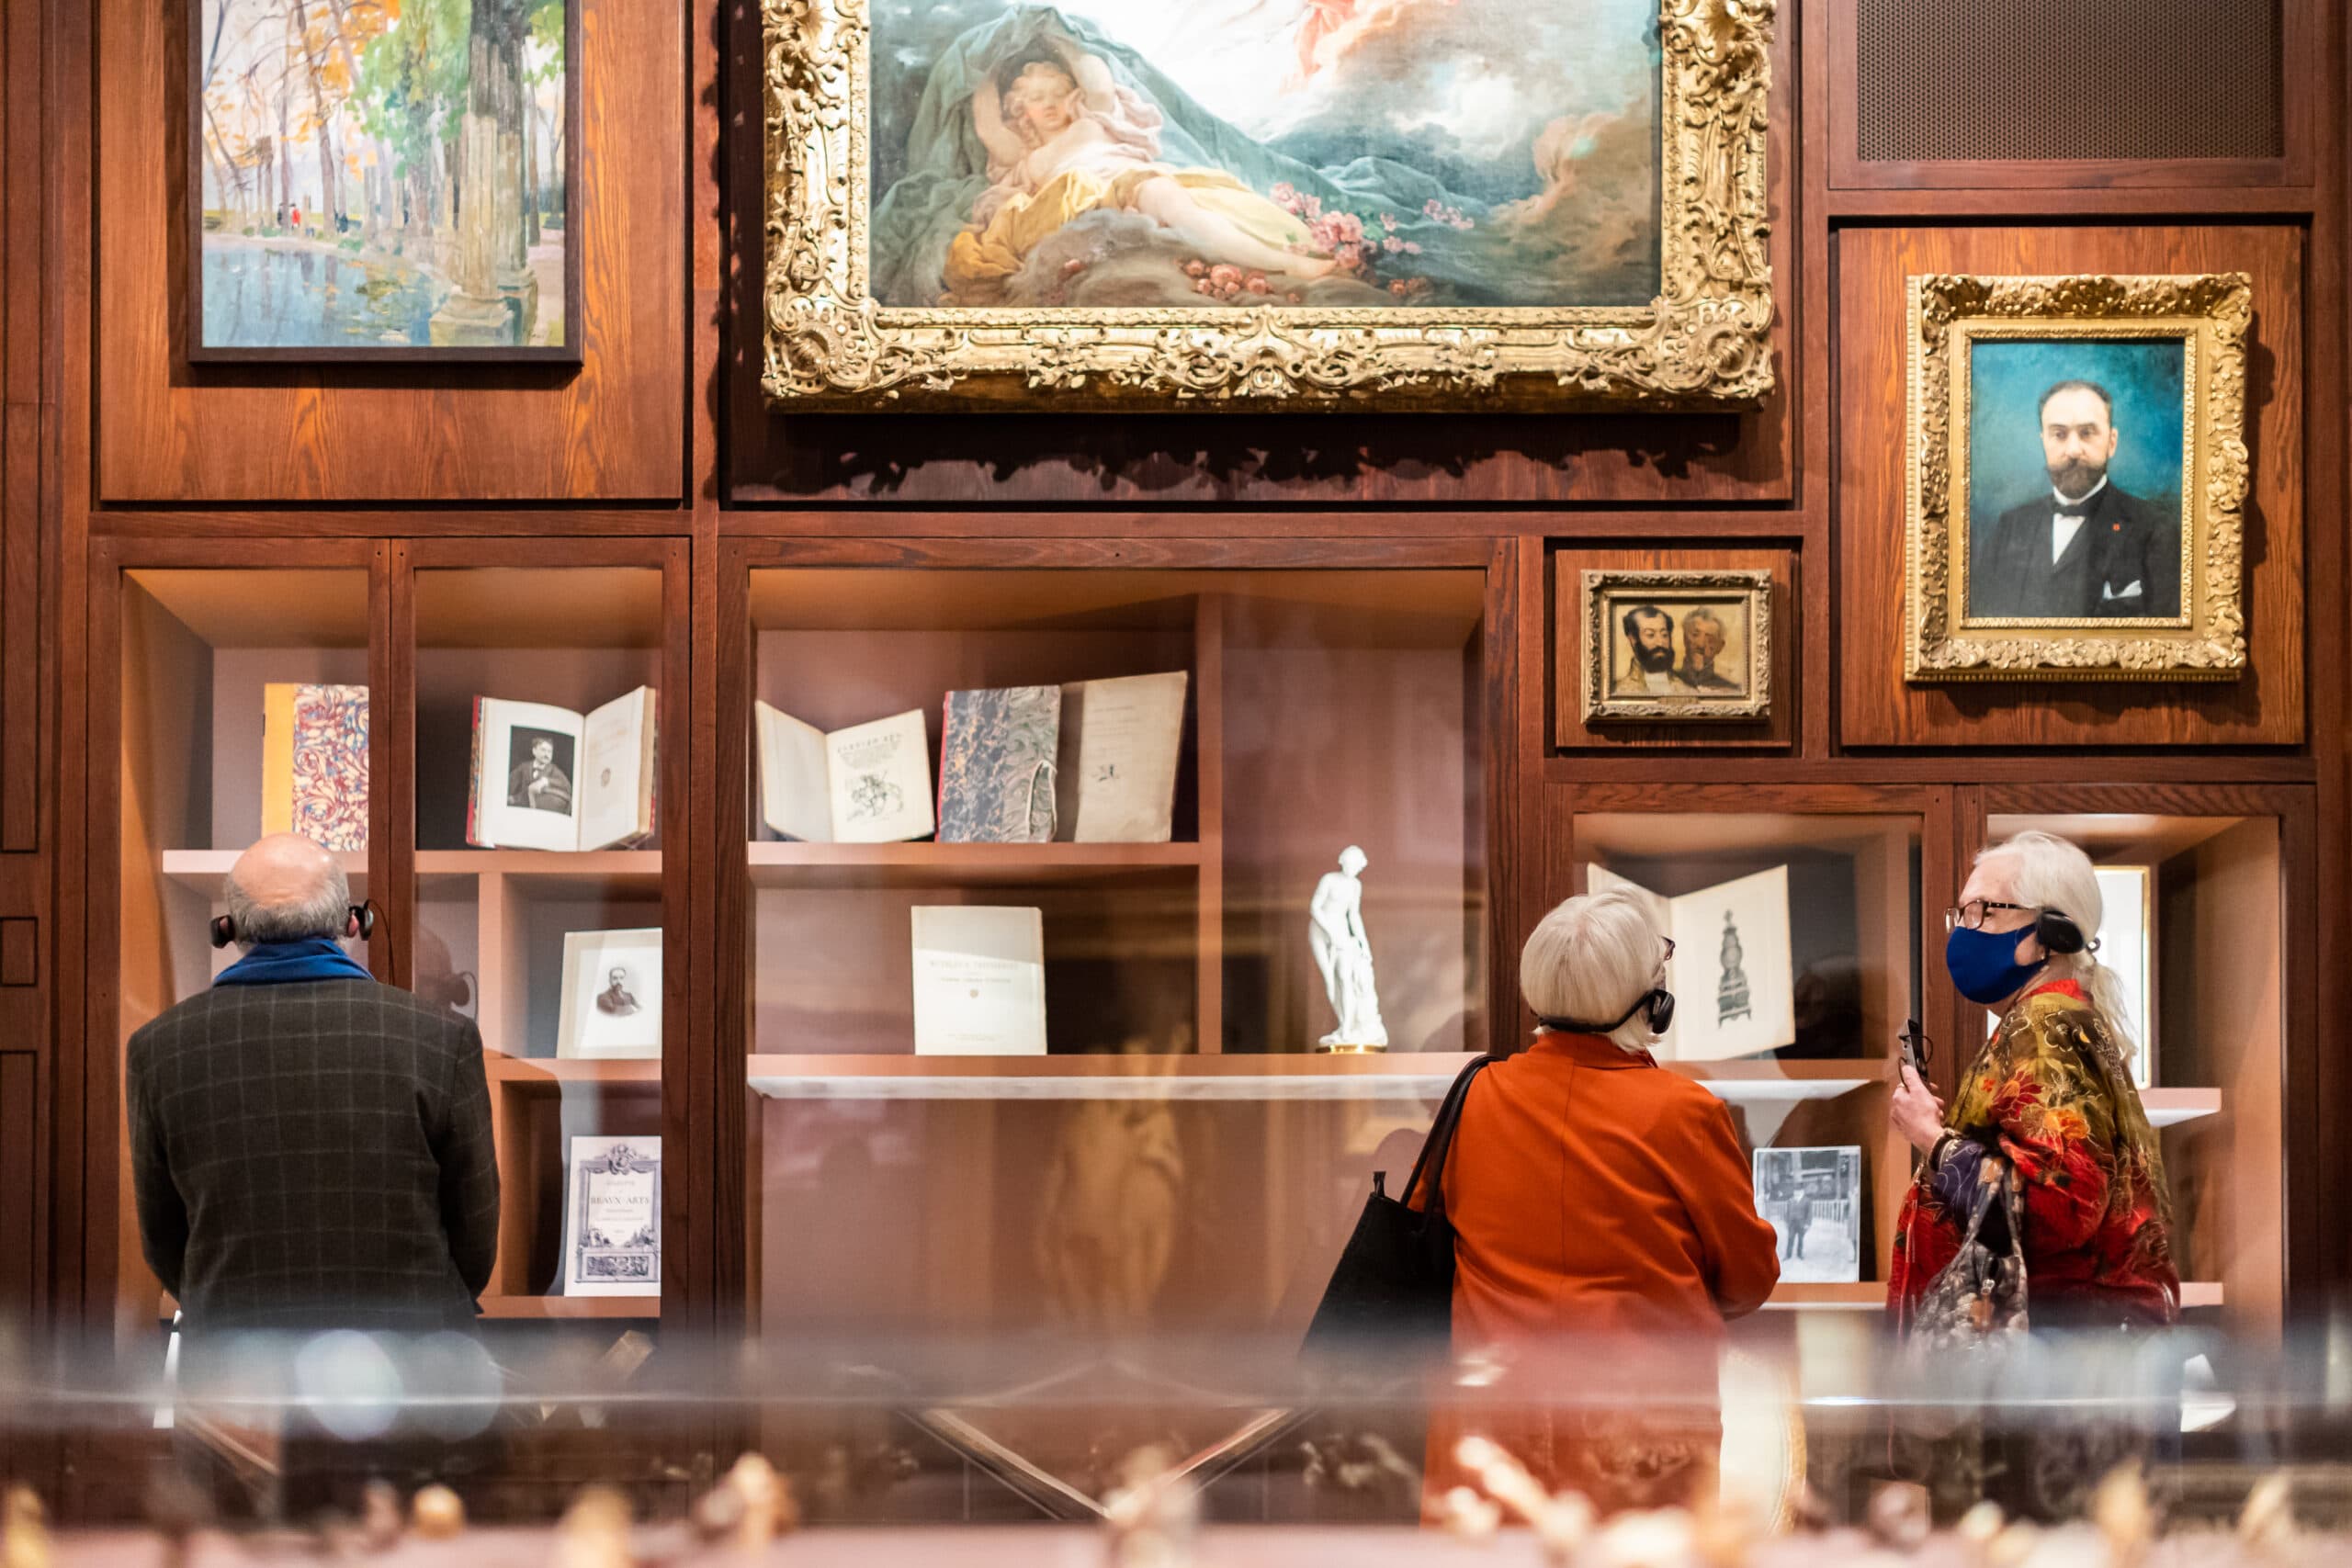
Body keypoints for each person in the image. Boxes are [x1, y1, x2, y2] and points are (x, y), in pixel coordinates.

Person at [1419, 890, 1781, 1518]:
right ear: (1653, 1003)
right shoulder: (1684, 1111)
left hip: (1493, 1428)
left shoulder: (1476, 1098)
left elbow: (1433, 1235)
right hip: (1640, 1437)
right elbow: (1749, 1280)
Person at [1888, 829, 2178, 1518]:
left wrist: (1931, 1139)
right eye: (1961, 912)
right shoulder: (2061, 1018)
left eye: (1986, 911)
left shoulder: (2046, 1025)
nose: (1965, 930)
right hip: (2077, 1362)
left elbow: (2057, 1203)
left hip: (2059, 1368)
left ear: (2045, 933)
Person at [128, 834, 501, 1338]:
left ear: (228, 930)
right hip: (413, 1370)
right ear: (353, 923)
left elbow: (163, 1240)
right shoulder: (441, 1040)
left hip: (236, 1378)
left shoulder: (159, 1049)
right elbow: (475, 1238)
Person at [945, 36, 1337, 303]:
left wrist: (1055, 32)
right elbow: (987, 126)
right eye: (1035, 99)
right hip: (1076, 208)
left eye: (1056, 95)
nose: (1048, 106)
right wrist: (991, 61)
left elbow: (1094, 73)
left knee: (1182, 210)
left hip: (1127, 182)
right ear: (1019, 110)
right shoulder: (1027, 156)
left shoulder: (1094, 120)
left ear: (1072, 96)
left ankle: (1286, 262)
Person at [1971, 380, 2182, 620]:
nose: (2073, 450)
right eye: (2059, 434)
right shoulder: (2009, 527)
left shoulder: (2155, 530)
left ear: (2112, 442)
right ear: (2044, 441)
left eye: (2087, 433)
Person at [1613, 604, 1690, 695]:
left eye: (1664, 635)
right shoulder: (1619, 691)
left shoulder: (1686, 689)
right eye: (1651, 635)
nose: (1660, 643)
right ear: (1633, 639)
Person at [1675, 608, 1741, 690]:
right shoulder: (1667, 682)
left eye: (1710, 639)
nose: (1701, 644)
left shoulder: (1732, 689)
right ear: (1685, 639)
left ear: (1720, 647)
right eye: (1695, 635)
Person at [509, 735, 572, 812]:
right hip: (521, 808)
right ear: (534, 751)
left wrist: (546, 781)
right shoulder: (524, 767)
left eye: (549, 751)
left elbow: (567, 785)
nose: (547, 754)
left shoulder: (554, 770)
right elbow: (509, 784)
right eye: (543, 750)